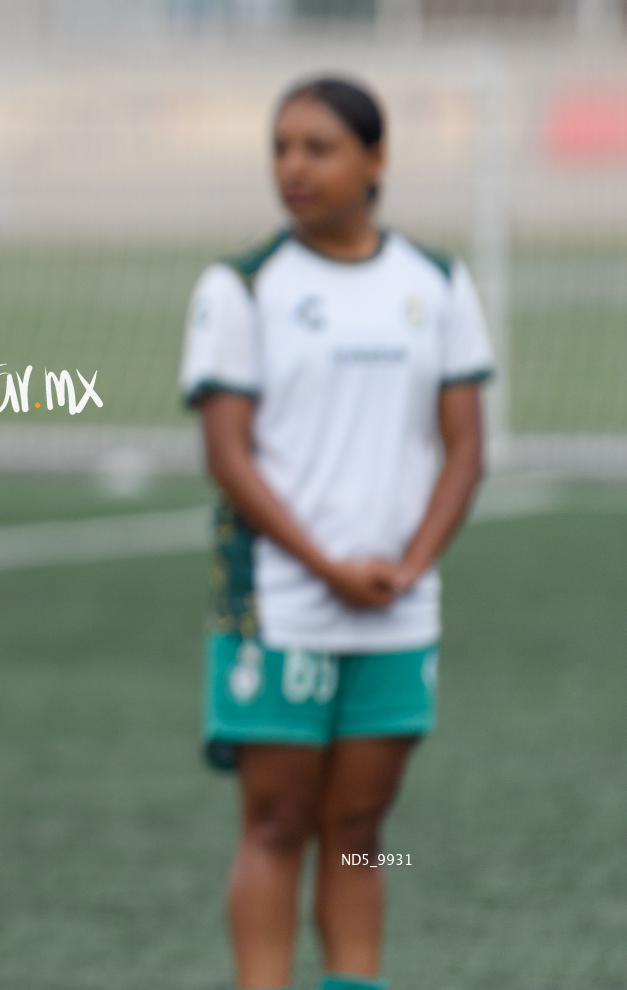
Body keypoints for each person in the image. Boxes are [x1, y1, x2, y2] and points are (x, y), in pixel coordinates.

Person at [178, 75, 491, 990]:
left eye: (319, 147)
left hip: (397, 605)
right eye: (281, 147)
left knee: (360, 836)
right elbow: (229, 456)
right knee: (276, 823)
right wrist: (327, 566)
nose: (294, 167)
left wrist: (409, 566)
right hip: (277, 606)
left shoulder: (435, 283)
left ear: (377, 158)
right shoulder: (242, 286)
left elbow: (465, 448)